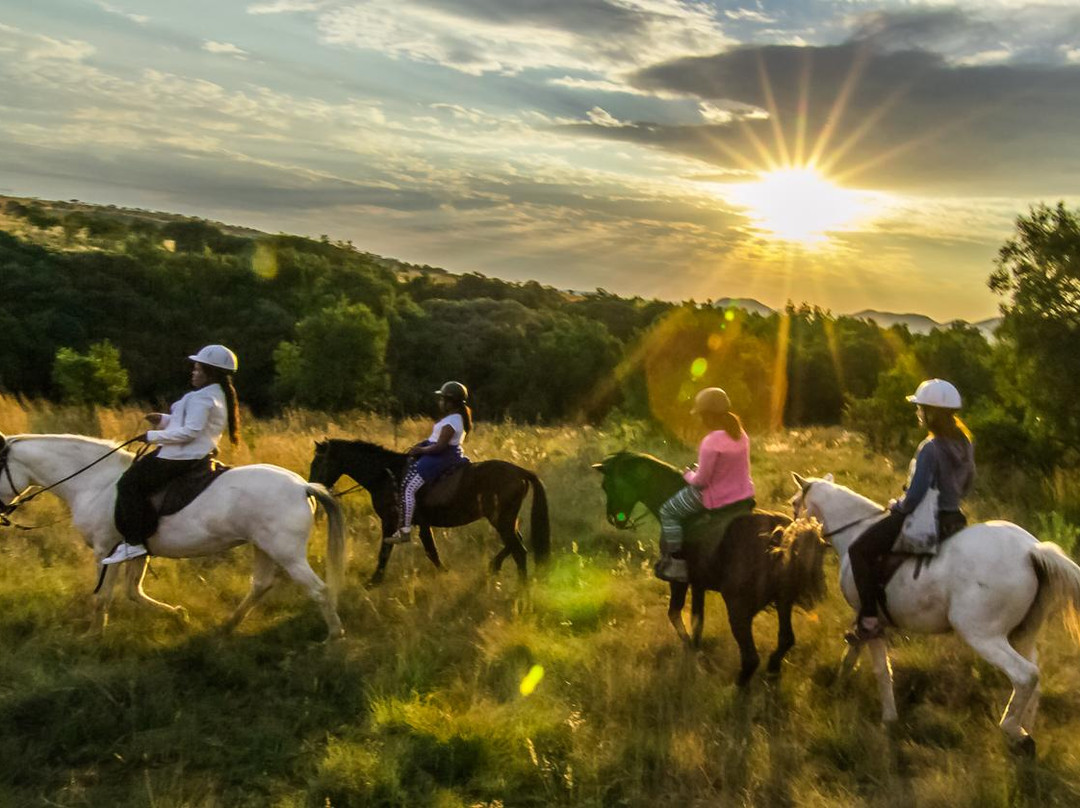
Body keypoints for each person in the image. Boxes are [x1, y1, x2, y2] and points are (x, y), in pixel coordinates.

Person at [847, 378, 975, 641]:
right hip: (954, 518)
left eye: (921, 409)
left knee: (858, 550)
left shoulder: (930, 448)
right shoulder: (965, 443)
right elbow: (969, 481)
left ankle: (869, 620)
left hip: (928, 521)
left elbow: (915, 495)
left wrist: (899, 505)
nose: (918, 413)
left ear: (931, 413)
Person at [102, 345, 241, 565]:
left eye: (197, 369)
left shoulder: (202, 398)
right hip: (188, 453)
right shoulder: (214, 395)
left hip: (181, 456)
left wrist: (152, 436)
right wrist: (164, 420)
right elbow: (190, 425)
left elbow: (191, 432)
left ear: (210, 372)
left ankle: (135, 542)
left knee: (129, 484)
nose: (193, 372)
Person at [655, 387, 756, 583]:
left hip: (716, 497)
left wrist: (687, 474)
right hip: (743, 495)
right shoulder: (741, 434)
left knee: (668, 511)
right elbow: (728, 467)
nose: (700, 419)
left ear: (708, 415)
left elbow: (701, 481)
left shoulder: (710, 441)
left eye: (701, 415)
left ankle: (676, 565)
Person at [389, 380, 472, 543]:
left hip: (442, 456)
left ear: (450, 402)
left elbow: (440, 446)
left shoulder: (452, 422)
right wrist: (422, 445)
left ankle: (404, 531)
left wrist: (421, 450)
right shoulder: (452, 418)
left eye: (443, 399)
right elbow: (435, 440)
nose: (440, 402)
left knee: (409, 485)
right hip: (438, 453)